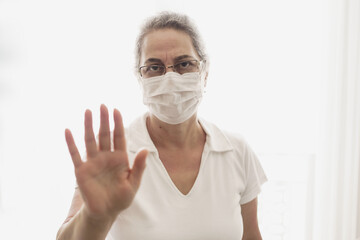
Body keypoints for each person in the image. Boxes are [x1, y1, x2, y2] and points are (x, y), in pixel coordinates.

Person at [56, 11, 267, 240]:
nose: (170, 78)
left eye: (184, 64)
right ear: (140, 78)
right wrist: (94, 217)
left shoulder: (236, 151)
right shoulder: (113, 156)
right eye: (155, 67)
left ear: (204, 73)